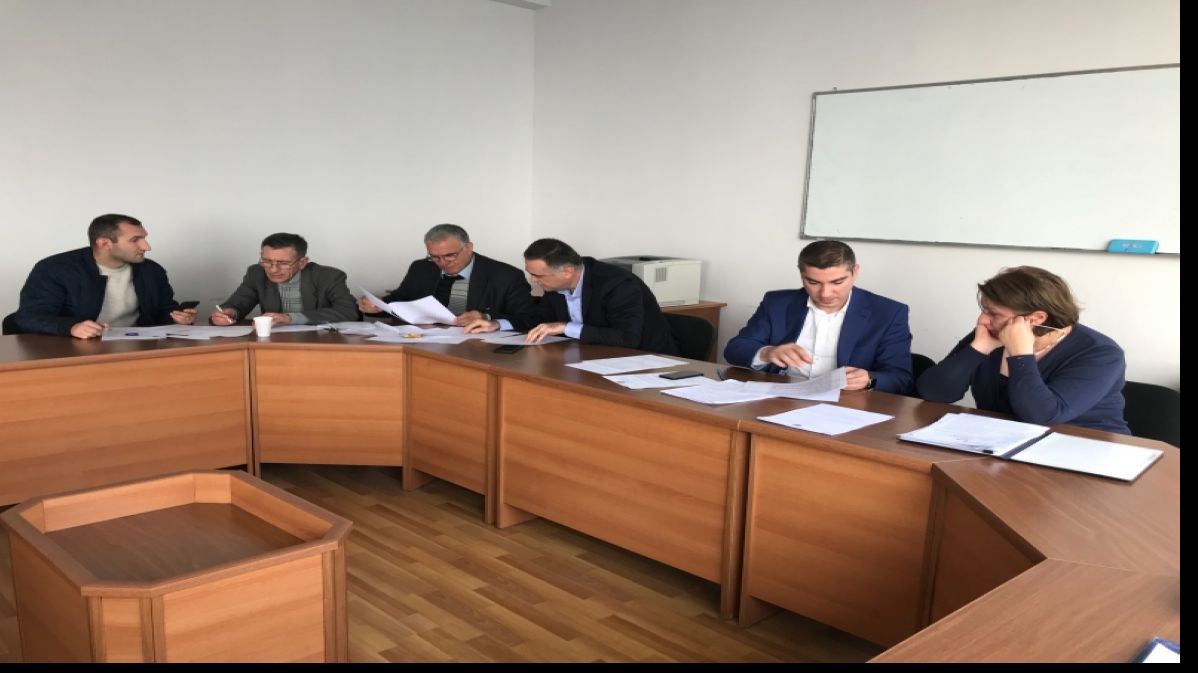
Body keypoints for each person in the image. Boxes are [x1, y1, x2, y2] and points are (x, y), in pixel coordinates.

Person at [917, 266, 1129, 433]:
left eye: (994, 314)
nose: (982, 320)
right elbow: (933, 393)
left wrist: (1020, 355)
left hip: (1085, 449)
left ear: (1036, 318)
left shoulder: (1101, 354)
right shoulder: (991, 334)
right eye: (983, 310)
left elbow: (1042, 416)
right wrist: (978, 349)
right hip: (1001, 442)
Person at [723, 240, 913, 393]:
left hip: (845, 404)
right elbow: (735, 349)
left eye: (837, 282)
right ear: (802, 275)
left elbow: (900, 378)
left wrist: (869, 380)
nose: (825, 294)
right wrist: (767, 353)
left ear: (855, 272)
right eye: (813, 282)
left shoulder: (888, 313)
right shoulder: (777, 303)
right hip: (781, 395)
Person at [463, 238, 678, 355]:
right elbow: (538, 318)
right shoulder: (555, 284)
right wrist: (497, 323)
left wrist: (564, 327)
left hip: (645, 360)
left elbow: (627, 338)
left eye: (538, 276)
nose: (533, 281)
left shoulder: (617, 285)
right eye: (531, 274)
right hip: (589, 356)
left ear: (567, 271)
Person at [15, 213, 196, 338]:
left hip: (138, 347)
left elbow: (162, 311)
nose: (146, 247)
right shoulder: (55, 269)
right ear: (104, 243)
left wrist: (177, 318)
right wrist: (72, 327)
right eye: (135, 240)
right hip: (77, 351)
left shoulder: (152, 270)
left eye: (144, 238)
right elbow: (29, 317)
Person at [357, 224, 534, 326]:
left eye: (450, 255)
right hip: (427, 342)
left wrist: (487, 317)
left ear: (469, 247)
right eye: (434, 257)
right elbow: (401, 299)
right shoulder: (421, 268)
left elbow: (528, 317)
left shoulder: (505, 275)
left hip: (478, 346)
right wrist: (378, 306)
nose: (442, 262)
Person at [210, 233, 357, 325]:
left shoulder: (328, 276)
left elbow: (349, 312)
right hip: (275, 342)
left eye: (283, 263)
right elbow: (237, 304)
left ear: (302, 262)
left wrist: (289, 318)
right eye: (267, 261)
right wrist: (228, 313)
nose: (273, 269)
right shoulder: (256, 273)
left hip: (320, 342)